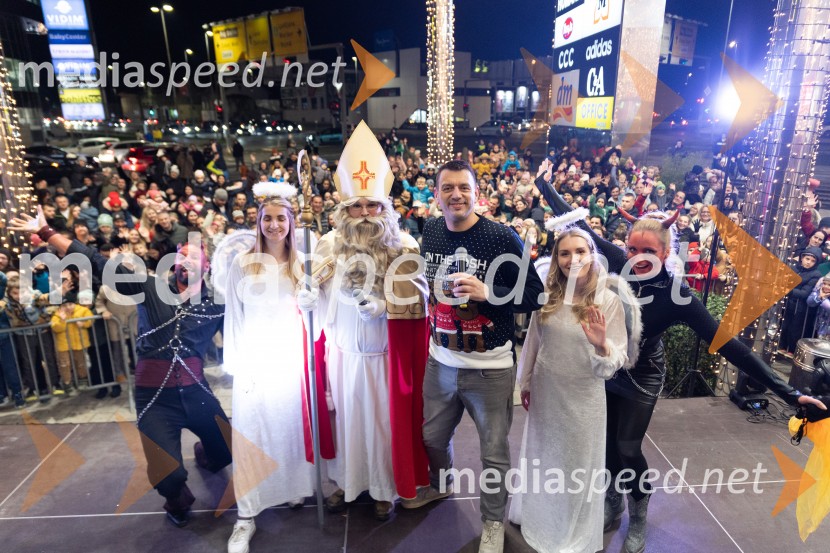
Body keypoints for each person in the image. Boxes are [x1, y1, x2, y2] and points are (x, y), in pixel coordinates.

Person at [533, 159, 827, 553]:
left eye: (648, 250)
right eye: (632, 247)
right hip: (607, 366)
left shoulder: (680, 297)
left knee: (627, 447)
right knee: (605, 446)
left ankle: (638, 513)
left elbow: (731, 346)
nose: (638, 256)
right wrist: (542, 184)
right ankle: (612, 500)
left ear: (667, 251)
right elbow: (578, 225)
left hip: (642, 374)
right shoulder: (617, 264)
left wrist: (789, 393)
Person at [10, 206, 232, 529]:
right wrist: (47, 234)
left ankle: (205, 452)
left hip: (198, 393)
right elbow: (96, 262)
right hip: (155, 400)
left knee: (226, 451)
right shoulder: (152, 287)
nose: (186, 260)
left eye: (194, 256)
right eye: (182, 254)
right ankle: (176, 499)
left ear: (208, 266)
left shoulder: (217, 304)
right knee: (169, 477)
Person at [408, 159, 544, 553]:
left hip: (490, 369)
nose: (456, 195)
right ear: (436, 196)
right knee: (432, 437)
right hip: (440, 362)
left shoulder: (501, 237)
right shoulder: (431, 231)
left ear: (476, 193)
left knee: (494, 454)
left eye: (463, 188)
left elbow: (535, 294)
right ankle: (442, 483)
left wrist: (490, 292)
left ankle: (492, 522)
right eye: (447, 188)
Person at [300, 121, 430, 521]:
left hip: (383, 357)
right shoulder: (327, 243)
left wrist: (384, 305)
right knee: (347, 424)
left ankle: (382, 488)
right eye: (356, 206)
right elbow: (314, 290)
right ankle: (344, 483)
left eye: (373, 205)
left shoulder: (403, 244)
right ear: (343, 211)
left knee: (381, 427)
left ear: (385, 209)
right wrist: (306, 297)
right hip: (342, 355)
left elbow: (422, 299)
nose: (365, 212)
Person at [508, 226, 632, 553]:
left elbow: (617, 358)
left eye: (580, 251)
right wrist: (527, 380)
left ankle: (569, 527)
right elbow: (534, 340)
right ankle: (536, 513)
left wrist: (602, 344)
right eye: (565, 252)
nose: (572, 258)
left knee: (576, 464)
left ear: (592, 255)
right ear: (556, 258)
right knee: (544, 455)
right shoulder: (548, 294)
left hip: (584, 397)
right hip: (547, 390)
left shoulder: (606, 299)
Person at [222, 181, 331, 553]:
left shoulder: (302, 264)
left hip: (290, 360)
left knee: (287, 431)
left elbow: (319, 320)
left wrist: (311, 301)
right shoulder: (242, 264)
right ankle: (246, 515)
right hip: (256, 361)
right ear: (258, 222)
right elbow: (233, 318)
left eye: (280, 218)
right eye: (267, 218)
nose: (273, 225)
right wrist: (236, 365)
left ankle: (293, 489)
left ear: (291, 221)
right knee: (253, 435)